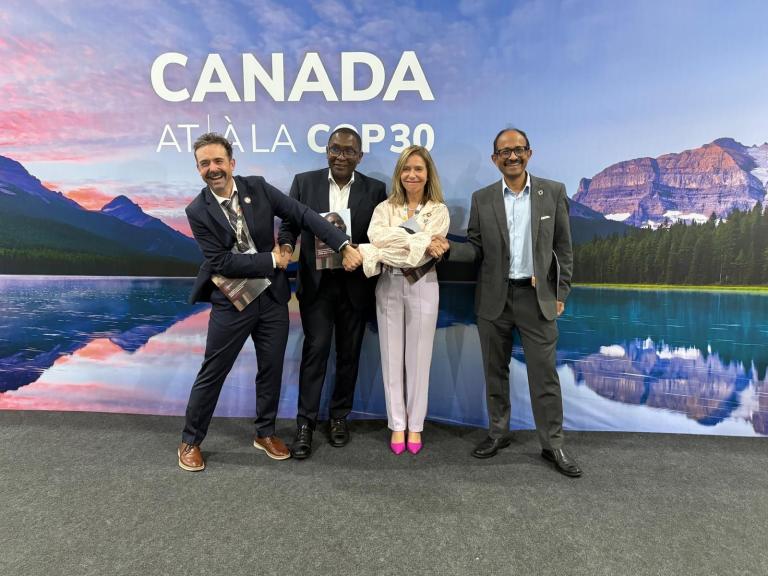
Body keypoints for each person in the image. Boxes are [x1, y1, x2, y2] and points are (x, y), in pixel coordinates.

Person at [178, 132, 362, 472]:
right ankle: (191, 440)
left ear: (232, 163)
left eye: (218, 161)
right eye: (205, 163)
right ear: (198, 169)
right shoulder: (197, 211)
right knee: (213, 372)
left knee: (271, 369)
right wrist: (273, 261)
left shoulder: (257, 188)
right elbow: (220, 262)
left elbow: (302, 214)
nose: (213, 168)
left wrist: (342, 244)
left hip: (271, 299)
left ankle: (265, 433)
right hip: (231, 301)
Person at [432, 128, 581, 477]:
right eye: (504, 152)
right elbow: (476, 248)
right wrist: (449, 248)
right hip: (493, 300)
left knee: (545, 377)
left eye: (518, 150)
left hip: (537, 298)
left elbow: (564, 249)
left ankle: (553, 444)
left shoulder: (553, 192)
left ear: (529, 153)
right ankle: (498, 433)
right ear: (494, 159)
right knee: (493, 372)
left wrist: (561, 292)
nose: (511, 157)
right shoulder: (482, 198)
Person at [277, 128, 387, 459]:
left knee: (349, 355)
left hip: (356, 286)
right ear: (326, 151)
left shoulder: (375, 189)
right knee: (316, 352)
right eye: (335, 150)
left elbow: (381, 237)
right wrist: (284, 246)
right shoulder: (304, 183)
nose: (341, 156)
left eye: (349, 151)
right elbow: (289, 225)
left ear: (360, 156)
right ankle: (305, 423)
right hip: (317, 287)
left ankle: (339, 417)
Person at [359, 145, 449, 454]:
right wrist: (420, 239)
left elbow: (398, 250)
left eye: (418, 169)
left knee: (419, 360)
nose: (412, 174)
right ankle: (397, 425)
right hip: (388, 285)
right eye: (406, 169)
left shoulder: (438, 209)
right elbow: (376, 240)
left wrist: (393, 245)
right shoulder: (384, 208)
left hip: (424, 284)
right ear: (399, 173)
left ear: (427, 174)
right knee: (391, 358)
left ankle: (416, 426)